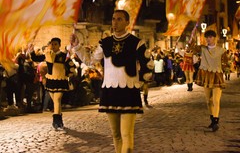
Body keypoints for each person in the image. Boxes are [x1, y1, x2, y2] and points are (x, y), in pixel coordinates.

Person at [72, 9, 153, 153]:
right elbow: (90, 60)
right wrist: (77, 47)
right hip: (110, 90)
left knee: (127, 134)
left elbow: (147, 65)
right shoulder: (105, 42)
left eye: (120, 19)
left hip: (129, 91)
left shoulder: (136, 43)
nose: (115, 22)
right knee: (116, 135)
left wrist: (139, 82)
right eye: (113, 19)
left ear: (127, 22)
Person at [30, 37, 76, 131]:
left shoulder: (63, 55)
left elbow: (71, 66)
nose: (54, 46)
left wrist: (68, 74)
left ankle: (56, 121)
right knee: (55, 102)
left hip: (60, 80)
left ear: (59, 45)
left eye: (56, 44)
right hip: (51, 81)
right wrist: (31, 51)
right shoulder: (47, 54)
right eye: (52, 44)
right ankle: (59, 119)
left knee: (58, 99)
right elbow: (35, 58)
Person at [195, 30, 227, 132]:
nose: (208, 39)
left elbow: (225, 63)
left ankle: (216, 121)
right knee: (208, 101)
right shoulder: (202, 49)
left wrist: (225, 68)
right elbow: (191, 48)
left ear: (215, 38)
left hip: (217, 76)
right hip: (206, 76)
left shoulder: (221, 50)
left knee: (216, 100)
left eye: (210, 37)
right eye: (207, 37)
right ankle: (212, 119)